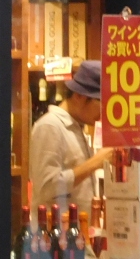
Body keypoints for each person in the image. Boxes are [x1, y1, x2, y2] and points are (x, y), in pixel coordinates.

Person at [29, 60, 113, 212]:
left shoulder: (76, 127)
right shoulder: (49, 126)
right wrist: (95, 162)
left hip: (80, 224)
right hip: (55, 226)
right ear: (79, 96)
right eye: (102, 103)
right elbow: (46, 187)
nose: (105, 111)